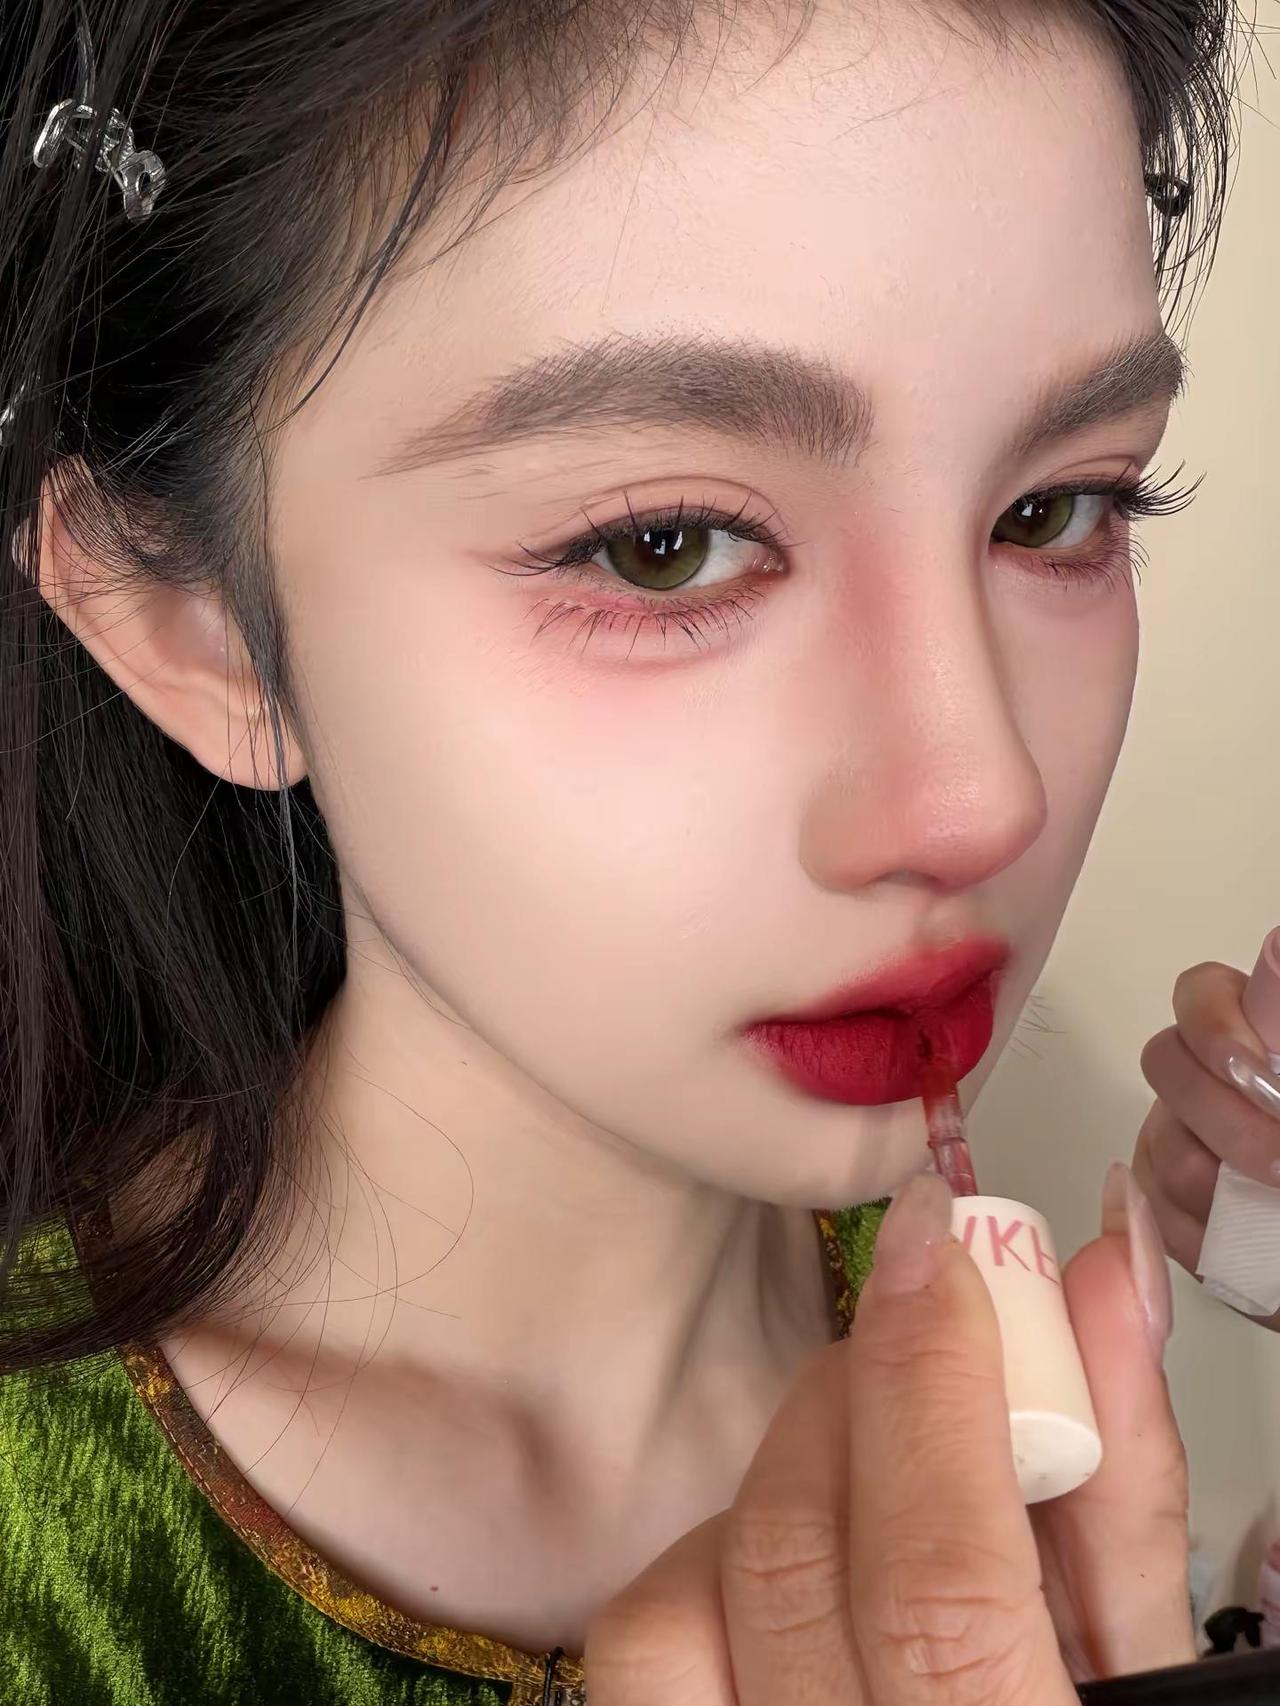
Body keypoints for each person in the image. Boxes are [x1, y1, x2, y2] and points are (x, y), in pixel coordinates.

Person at [0, 0, 1248, 1701]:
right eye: (665, 546)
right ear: (190, 621)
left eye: (1058, 508)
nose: (982, 798)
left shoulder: (1034, 1371)